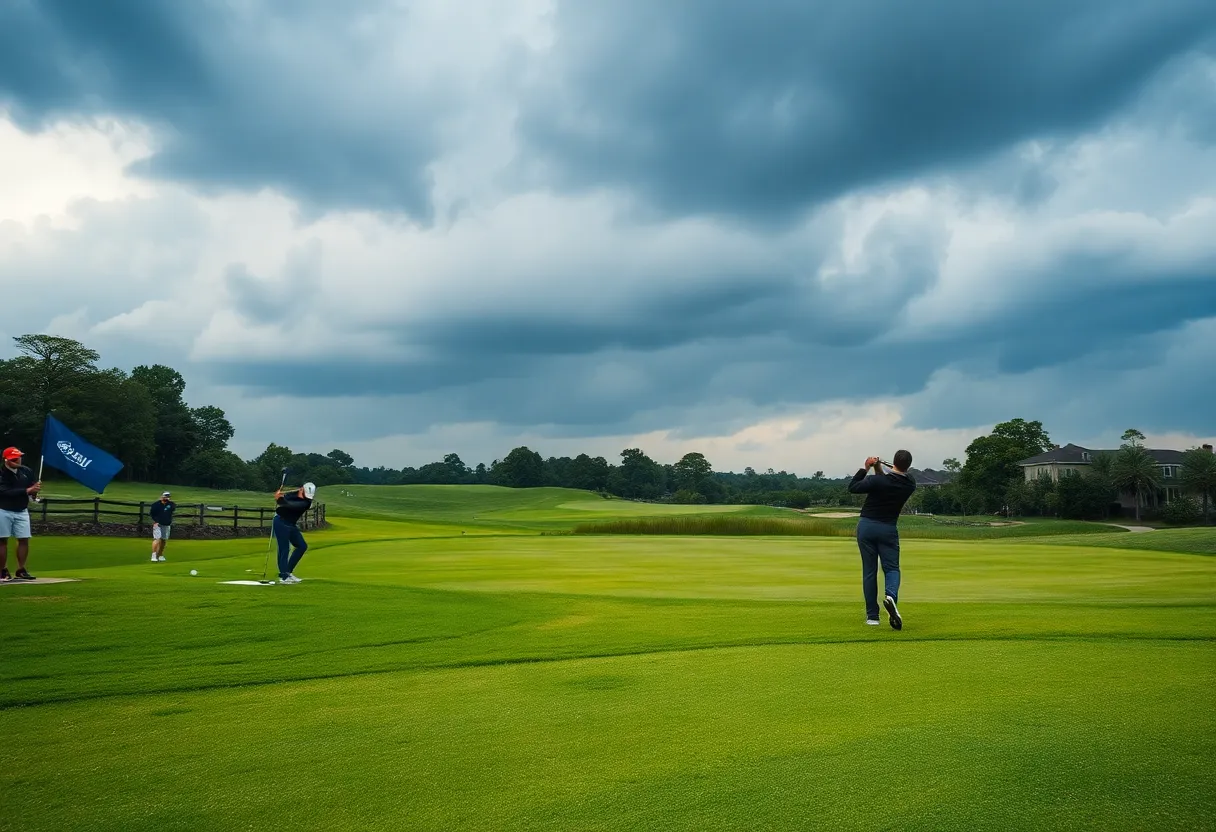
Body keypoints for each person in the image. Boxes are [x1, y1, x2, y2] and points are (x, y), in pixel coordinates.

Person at [847, 450, 916, 630]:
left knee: (869, 572)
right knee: (892, 568)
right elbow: (890, 478)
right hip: (888, 529)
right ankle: (891, 596)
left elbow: (853, 487)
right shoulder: (910, 483)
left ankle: (872, 617)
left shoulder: (877, 481)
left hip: (866, 527)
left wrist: (867, 467)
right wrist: (879, 466)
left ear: (894, 461)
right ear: (908, 465)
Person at [0, 447, 41, 582]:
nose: (18, 461)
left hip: (22, 510)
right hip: (3, 509)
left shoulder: (26, 471)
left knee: (24, 539)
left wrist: (34, 491)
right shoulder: (2, 473)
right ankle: (2, 570)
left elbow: (31, 486)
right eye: (14, 459)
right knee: (2, 540)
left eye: (18, 458)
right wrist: (27, 490)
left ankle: (21, 569)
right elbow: (5, 492)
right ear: (6, 460)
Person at [273, 482, 315, 584]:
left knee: (302, 546)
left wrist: (279, 499)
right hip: (280, 522)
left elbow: (291, 505)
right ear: (301, 490)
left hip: (290, 524)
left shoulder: (306, 503)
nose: (308, 498)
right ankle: (284, 576)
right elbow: (286, 497)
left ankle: (288, 572)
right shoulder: (294, 494)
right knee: (284, 548)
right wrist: (280, 495)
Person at [149, 491, 176, 562]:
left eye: (168, 497)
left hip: (166, 524)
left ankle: (160, 555)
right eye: (165, 496)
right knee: (157, 539)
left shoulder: (171, 504)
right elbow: (152, 514)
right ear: (162, 496)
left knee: (163, 540)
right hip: (158, 524)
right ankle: (154, 555)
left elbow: (172, 509)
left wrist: (167, 505)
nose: (166, 498)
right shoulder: (155, 505)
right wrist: (156, 521)